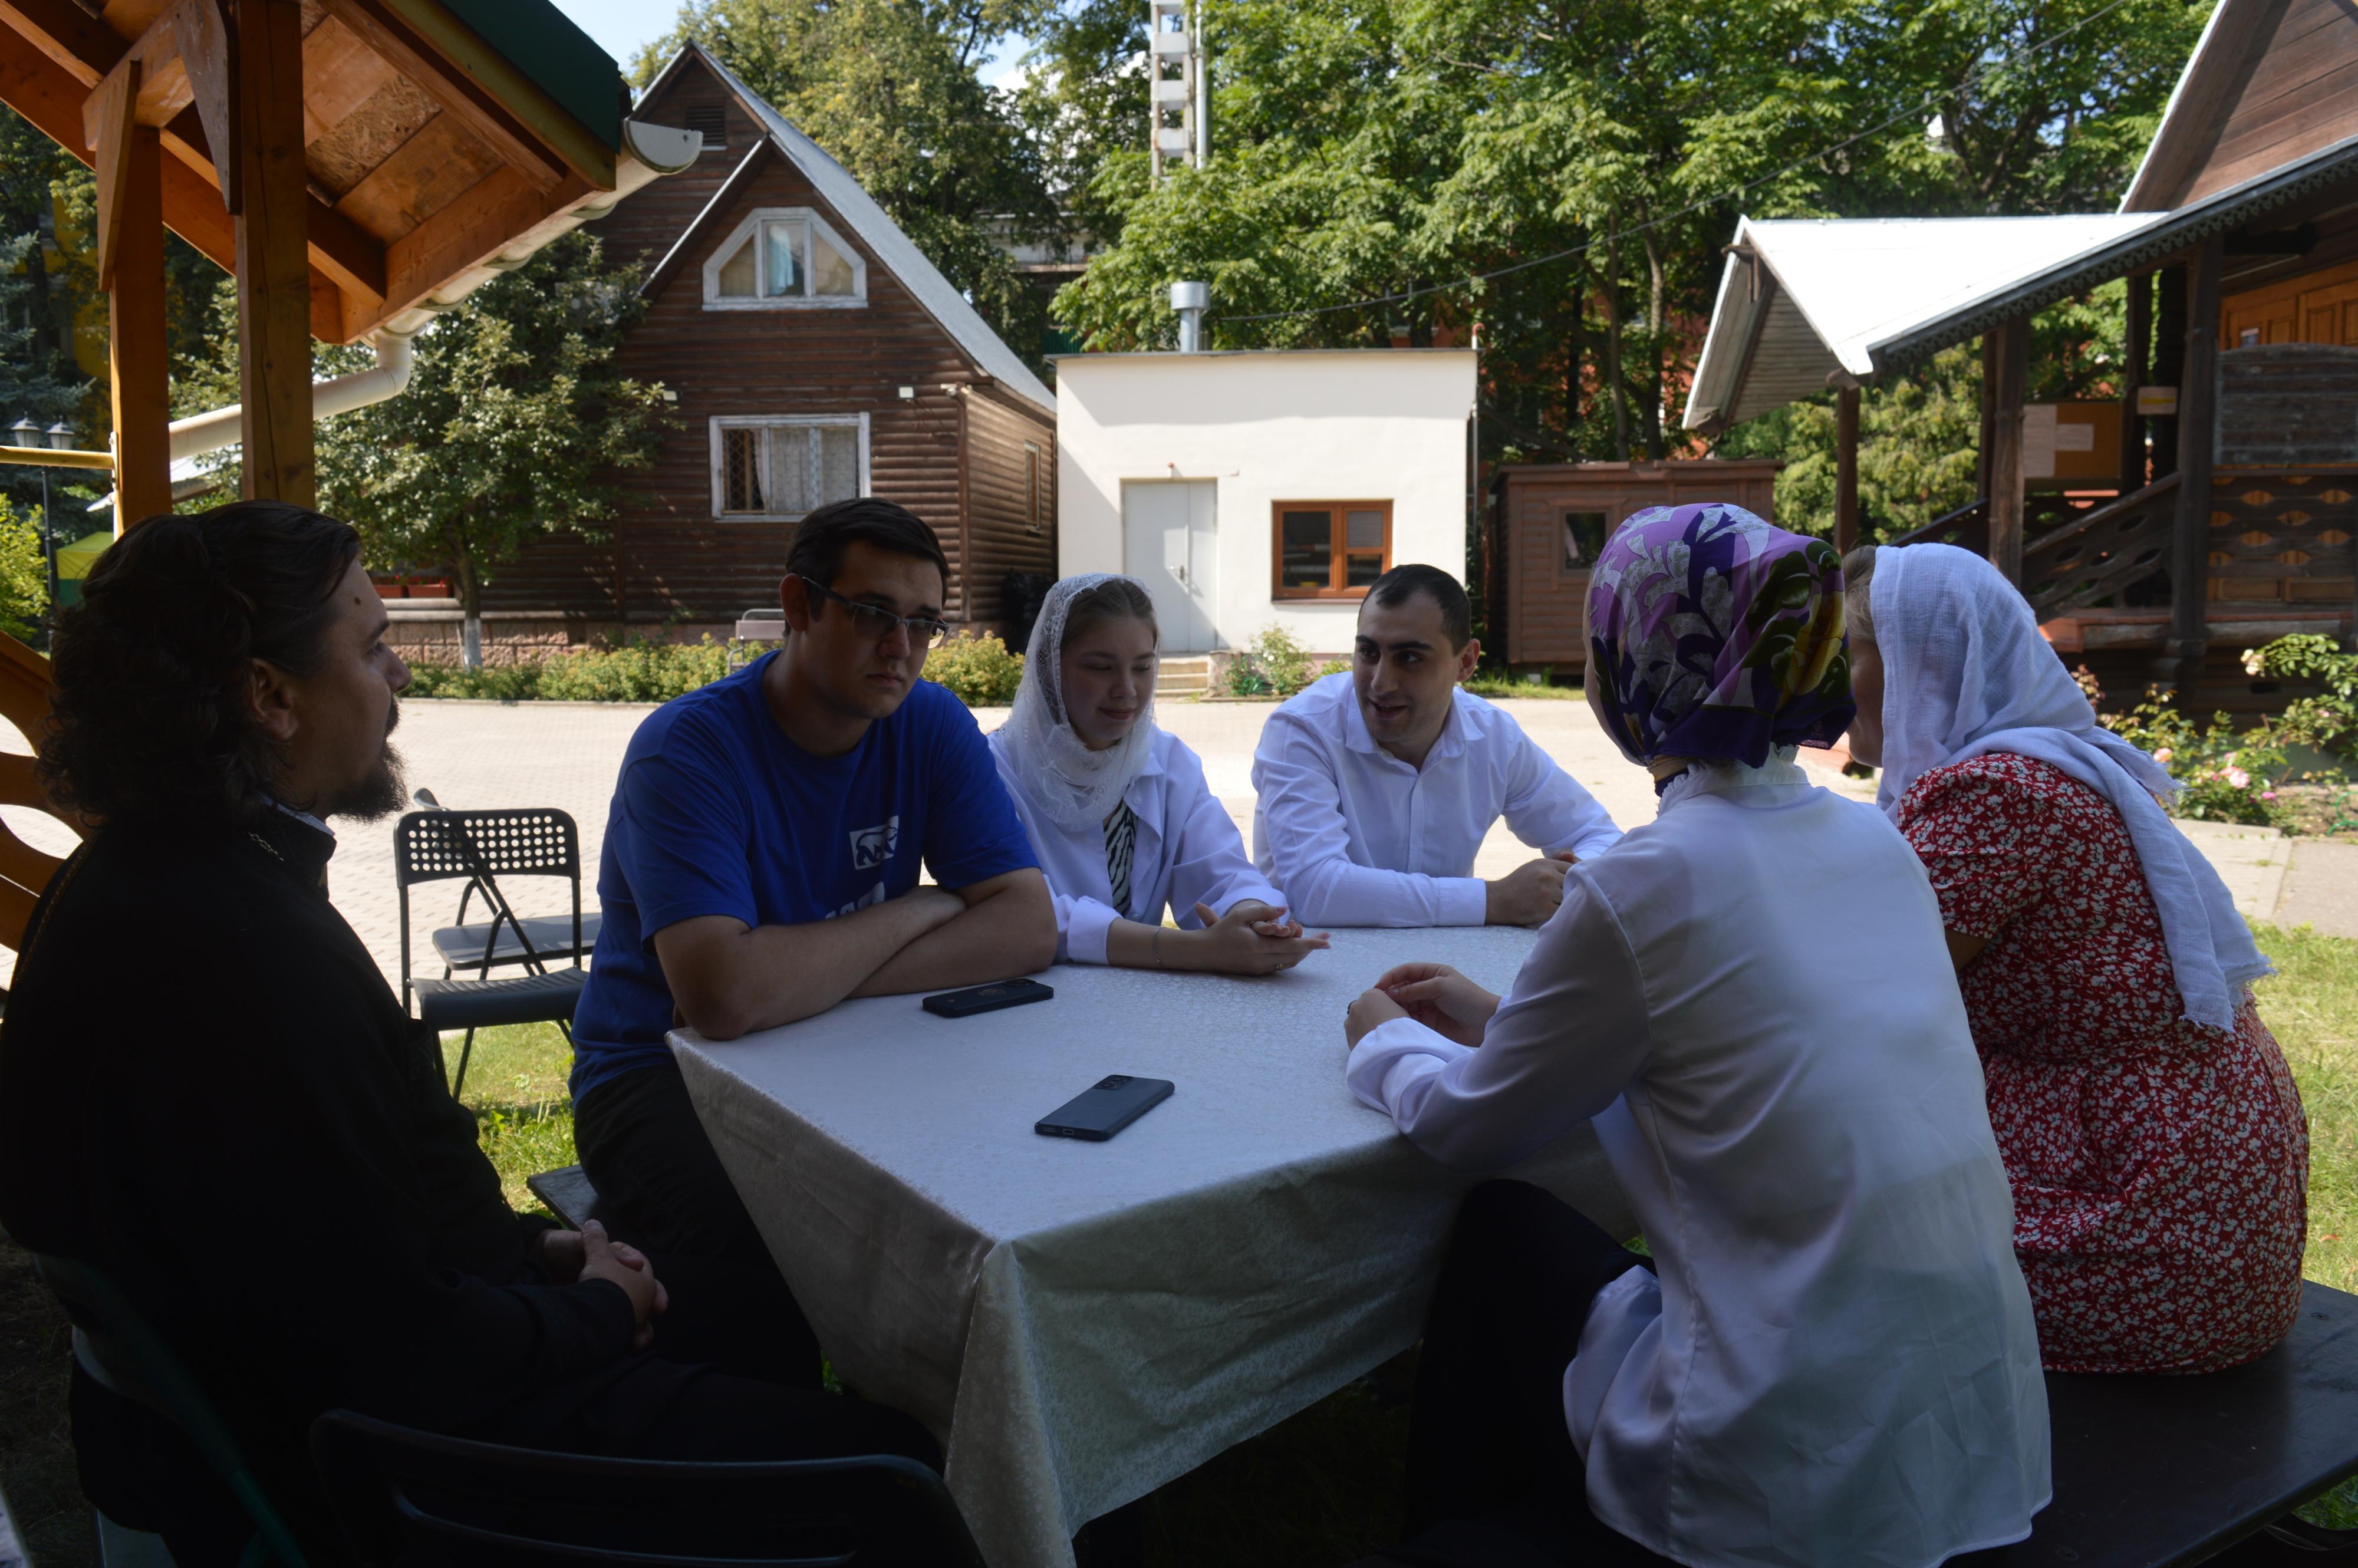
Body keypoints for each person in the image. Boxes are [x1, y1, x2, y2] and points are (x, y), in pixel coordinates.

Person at [0, 503, 940, 1567]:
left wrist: (540, 1254)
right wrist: (595, 1309)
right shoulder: (229, 957)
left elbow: (349, 1228)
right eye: (373, 648)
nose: (399, 674)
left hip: (342, 1397)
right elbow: (395, 1350)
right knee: (898, 1467)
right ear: (270, 696)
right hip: (411, 1477)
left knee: (768, 1309)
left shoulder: (162, 881)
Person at [1341, 503, 2049, 1568]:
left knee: (1499, 1229)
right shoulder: (1872, 840)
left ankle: (1471, 1530)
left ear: (1641, 662)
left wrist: (1379, 1040)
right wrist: (1500, 1018)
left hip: (1781, 1451)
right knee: (1524, 1242)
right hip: (1967, 1426)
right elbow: (1729, 1036)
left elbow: (1467, 1129)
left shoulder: (1649, 878)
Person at [569, 498, 1056, 1347]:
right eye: (873, 613)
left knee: (991, 1190)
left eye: (924, 623)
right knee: (770, 1251)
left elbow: (1026, 926)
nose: (900, 647)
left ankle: (942, 1408)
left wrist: (799, 982)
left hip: (846, 1046)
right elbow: (722, 1003)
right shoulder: (685, 751)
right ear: (799, 605)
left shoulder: (930, 722)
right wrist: (921, 905)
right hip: (656, 1075)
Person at [1843, 541, 2307, 1375]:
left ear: (1921, 661)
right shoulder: (2054, 762)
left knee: (1817, 1255)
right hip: (2210, 1206)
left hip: (2146, 1225)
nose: (1828, 680)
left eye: (1847, 652)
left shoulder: (1997, 793)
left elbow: (1867, 995)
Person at [990, 573, 1331, 972]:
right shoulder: (993, 769)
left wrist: (1253, 916)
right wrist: (1194, 950)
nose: (1126, 689)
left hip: (1141, 998)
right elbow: (1028, 916)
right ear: (1049, 668)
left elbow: (1220, 871)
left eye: (1143, 667)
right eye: (1101, 667)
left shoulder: (1168, 761)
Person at [1251, 564, 1620, 928]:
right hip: (1316, 964)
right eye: (1368, 652)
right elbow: (1316, 890)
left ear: (1466, 663)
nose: (1380, 683)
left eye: (1409, 658)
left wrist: (1568, 882)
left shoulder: (1493, 737)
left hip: (1444, 966)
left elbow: (1598, 836)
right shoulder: (1303, 730)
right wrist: (1493, 900)